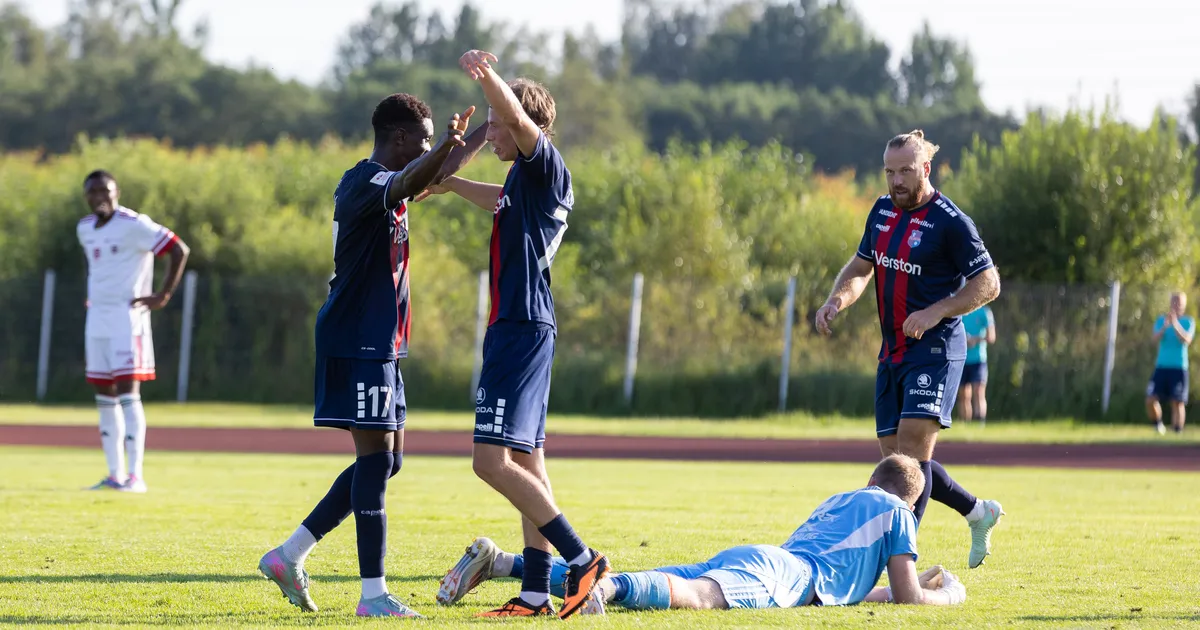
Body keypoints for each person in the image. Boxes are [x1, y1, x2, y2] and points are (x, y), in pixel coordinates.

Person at [257, 93, 480, 618]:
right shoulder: (368, 182)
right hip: (358, 337)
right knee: (376, 461)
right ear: (398, 138)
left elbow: (432, 173)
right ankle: (374, 596)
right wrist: (446, 142)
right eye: (422, 139)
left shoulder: (388, 184)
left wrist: (485, 127)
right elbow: (411, 180)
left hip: (380, 341)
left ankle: (289, 555)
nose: (429, 148)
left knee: (387, 461)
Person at [419, 50, 607, 619]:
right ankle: (534, 594)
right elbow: (491, 198)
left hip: (520, 329)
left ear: (526, 126)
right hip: (524, 328)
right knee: (527, 461)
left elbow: (518, 119)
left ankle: (583, 561)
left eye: (498, 124)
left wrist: (488, 77)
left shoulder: (543, 162)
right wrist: (450, 184)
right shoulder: (521, 186)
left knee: (488, 461)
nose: (493, 133)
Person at [436, 455, 967, 614]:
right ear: (907, 497)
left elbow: (840, 590)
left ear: (871, 480)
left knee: (662, 581)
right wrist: (944, 593)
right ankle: (602, 588)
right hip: (784, 573)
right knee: (695, 598)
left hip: (768, 561)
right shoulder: (897, 511)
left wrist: (908, 581)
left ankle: (504, 562)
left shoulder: (843, 498)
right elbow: (907, 599)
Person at [814, 130, 1004, 569]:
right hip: (893, 351)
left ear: (925, 169)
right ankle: (978, 512)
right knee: (899, 467)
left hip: (936, 349)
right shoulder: (881, 211)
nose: (896, 181)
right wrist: (836, 300)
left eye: (904, 171)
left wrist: (937, 311)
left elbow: (988, 283)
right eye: (889, 172)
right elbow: (862, 266)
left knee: (912, 454)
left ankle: (901, 567)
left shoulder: (951, 222)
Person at [77, 170, 190, 494]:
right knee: (103, 397)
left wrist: (163, 294)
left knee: (128, 394)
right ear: (86, 196)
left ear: (117, 192)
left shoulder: (134, 224)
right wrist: (92, 292)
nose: (100, 196)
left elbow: (179, 249)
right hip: (96, 318)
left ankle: (136, 476)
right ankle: (114, 475)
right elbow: (94, 265)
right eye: (93, 191)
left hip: (128, 319)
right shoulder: (84, 228)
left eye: (105, 191)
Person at [1146, 292, 1194, 434]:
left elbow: (1186, 340)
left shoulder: (1188, 321)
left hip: (1179, 367)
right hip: (1161, 366)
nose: (1176, 305)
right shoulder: (1161, 320)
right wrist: (1165, 326)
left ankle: (1177, 431)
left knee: (1177, 401)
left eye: (1179, 302)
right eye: (1174, 302)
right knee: (1150, 398)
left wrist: (1175, 325)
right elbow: (1154, 339)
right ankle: (1158, 425)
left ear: (1184, 305)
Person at [959, 303, 996, 424]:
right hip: (961, 359)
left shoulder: (984, 311)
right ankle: (966, 424)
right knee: (963, 395)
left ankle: (980, 423)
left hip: (978, 360)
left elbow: (991, 337)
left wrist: (975, 339)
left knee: (978, 392)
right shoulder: (960, 310)